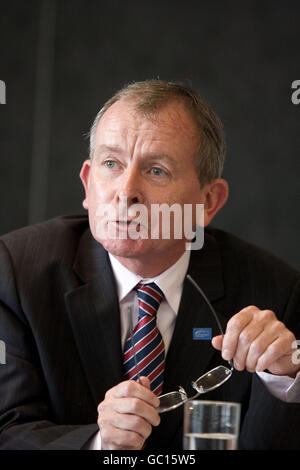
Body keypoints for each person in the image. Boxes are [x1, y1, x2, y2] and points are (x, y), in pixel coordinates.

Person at [0, 80, 300, 451]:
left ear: (208, 201)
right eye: (111, 164)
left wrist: (283, 379)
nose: (126, 192)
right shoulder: (17, 272)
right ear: (88, 182)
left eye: (156, 171)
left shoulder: (274, 292)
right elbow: (7, 430)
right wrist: (97, 443)